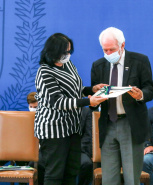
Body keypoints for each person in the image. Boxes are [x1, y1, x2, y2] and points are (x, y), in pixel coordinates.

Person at [34, 33, 107, 185]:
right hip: (53, 130)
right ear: (53, 51)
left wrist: (92, 89)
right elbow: (57, 101)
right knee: (55, 172)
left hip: (72, 127)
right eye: (64, 52)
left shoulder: (68, 64)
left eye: (69, 51)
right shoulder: (44, 71)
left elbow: (76, 89)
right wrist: (89, 101)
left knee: (72, 170)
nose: (67, 55)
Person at [91, 27, 153, 185]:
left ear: (122, 45)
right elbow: (94, 94)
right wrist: (95, 94)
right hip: (108, 124)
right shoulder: (98, 65)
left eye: (111, 49)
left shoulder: (140, 61)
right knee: (109, 179)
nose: (108, 53)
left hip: (131, 124)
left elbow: (150, 89)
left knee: (131, 178)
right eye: (104, 50)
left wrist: (140, 94)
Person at [77, 106, 93, 185]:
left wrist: (76, 148)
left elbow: (88, 135)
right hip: (57, 148)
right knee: (41, 162)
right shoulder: (56, 107)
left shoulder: (86, 111)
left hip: (79, 148)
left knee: (86, 163)